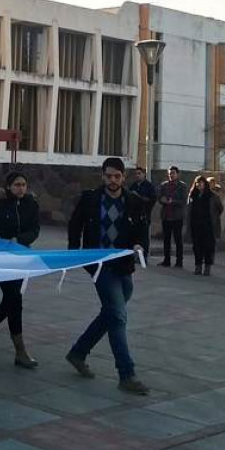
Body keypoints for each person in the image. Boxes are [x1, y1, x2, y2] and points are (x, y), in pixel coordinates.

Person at [65, 157, 151, 396]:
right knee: (118, 316)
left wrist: (139, 246)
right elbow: (75, 224)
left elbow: (142, 231)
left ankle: (78, 352)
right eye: (109, 176)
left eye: (117, 176)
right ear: (102, 176)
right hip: (100, 266)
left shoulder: (134, 201)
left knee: (111, 313)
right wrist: (75, 253)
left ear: (124, 177)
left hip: (123, 265)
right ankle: (127, 374)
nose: (113, 180)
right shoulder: (91, 198)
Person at [0, 171, 41, 367]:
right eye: (17, 185)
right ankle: (20, 350)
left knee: (11, 300)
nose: (21, 188)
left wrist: (19, 240)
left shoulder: (31, 204)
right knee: (15, 300)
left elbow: (35, 229)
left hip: (21, 257)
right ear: (9, 186)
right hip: (1, 258)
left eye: (23, 185)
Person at [188, 176, 219, 276]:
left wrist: (213, 217)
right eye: (197, 183)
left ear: (205, 184)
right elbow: (188, 209)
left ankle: (207, 267)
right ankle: (198, 266)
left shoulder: (212, 196)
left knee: (208, 247)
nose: (199, 185)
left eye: (201, 183)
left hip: (208, 225)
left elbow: (219, 208)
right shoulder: (193, 195)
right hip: (196, 224)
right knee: (197, 246)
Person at [156, 166, 187, 268]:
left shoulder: (182, 186)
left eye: (173, 173)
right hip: (166, 216)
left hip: (177, 216)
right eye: (169, 173)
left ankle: (179, 261)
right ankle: (167, 260)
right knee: (166, 239)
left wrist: (172, 201)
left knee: (178, 240)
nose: (171, 175)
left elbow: (183, 201)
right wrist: (162, 200)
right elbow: (159, 197)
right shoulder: (164, 185)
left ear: (177, 174)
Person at [128, 167, 158, 260]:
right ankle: (134, 255)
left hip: (144, 214)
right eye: (136, 174)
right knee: (134, 237)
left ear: (144, 174)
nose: (137, 175)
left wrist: (139, 196)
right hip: (134, 215)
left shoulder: (149, 186)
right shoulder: (133, 185)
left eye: (139, 173)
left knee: (144, 237)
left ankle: (143, 256)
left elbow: (152, 200)